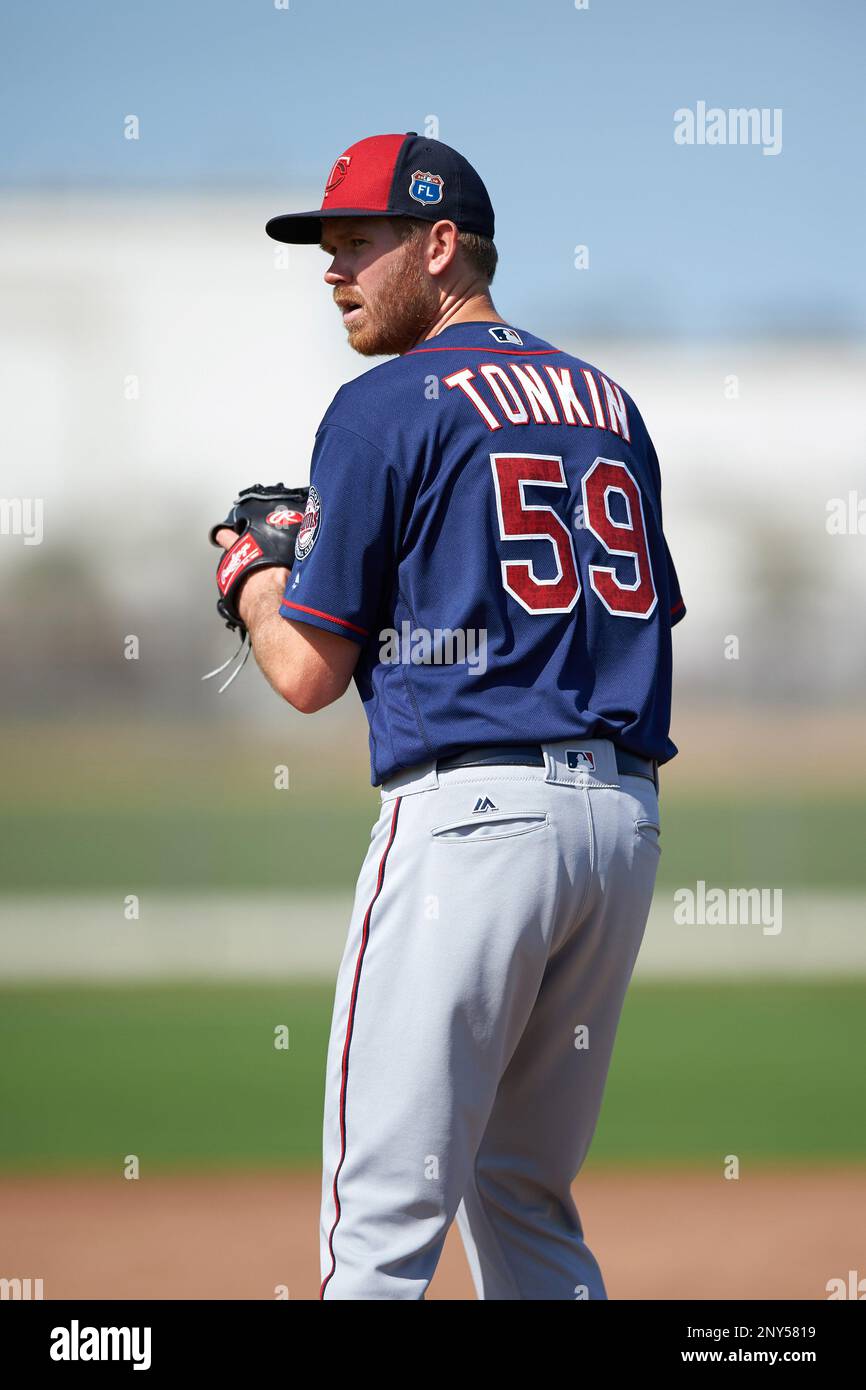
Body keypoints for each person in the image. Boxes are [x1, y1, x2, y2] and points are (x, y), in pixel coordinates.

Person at [214, 131, 686, 1300]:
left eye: (359, 244)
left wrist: (253, 579)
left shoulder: (383, 403)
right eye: (326, 249)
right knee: (523, 1197)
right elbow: (636, 617)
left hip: (470, 831)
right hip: (618, 828)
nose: (334, 271)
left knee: (378, 1218)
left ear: (439, 246)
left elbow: (308, 674)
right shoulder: (608, 402)